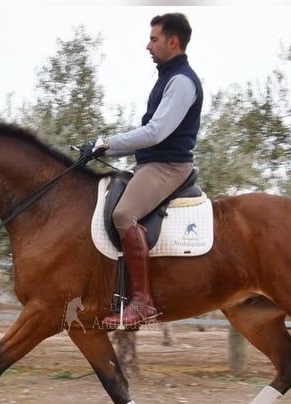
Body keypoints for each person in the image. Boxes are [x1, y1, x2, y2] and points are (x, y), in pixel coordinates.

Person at [80, 12, 203, 330]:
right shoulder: (167, 78)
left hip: (168, 167)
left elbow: (155, 133)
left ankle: (142, 303)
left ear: (172, 42)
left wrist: (104, 144)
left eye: (153, 39)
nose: (147, 46)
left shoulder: (181, 81)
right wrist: (100, 149)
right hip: (150, 164)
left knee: (123, 215)